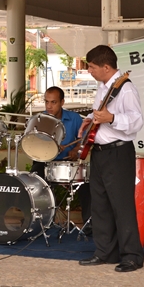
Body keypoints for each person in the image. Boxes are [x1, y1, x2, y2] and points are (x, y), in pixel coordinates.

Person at [77, 45, 144, 273]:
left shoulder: (125, 89)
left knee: (122, 206)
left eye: (93, 67)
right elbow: (99, 113)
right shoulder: (104, 87)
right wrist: (89, 119)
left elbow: (136, 122)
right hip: (100, 152)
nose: (90, 71)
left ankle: (132, 256)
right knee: (101, 206)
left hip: (118, 152)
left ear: (106, 67)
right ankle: (105, 252)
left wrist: (112, 117)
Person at [29, 87, 92, 233]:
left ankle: (89, 224)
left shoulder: (75, 118)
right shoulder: (40, 120)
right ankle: (39, 222)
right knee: (33, 182)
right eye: (46, 102)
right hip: (45, 161)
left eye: (53, 102)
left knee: (87, 183)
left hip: (68, 162)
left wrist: (75, 150)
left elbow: (82, 141)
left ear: (62, 102)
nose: (49, 106)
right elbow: (32, 144)